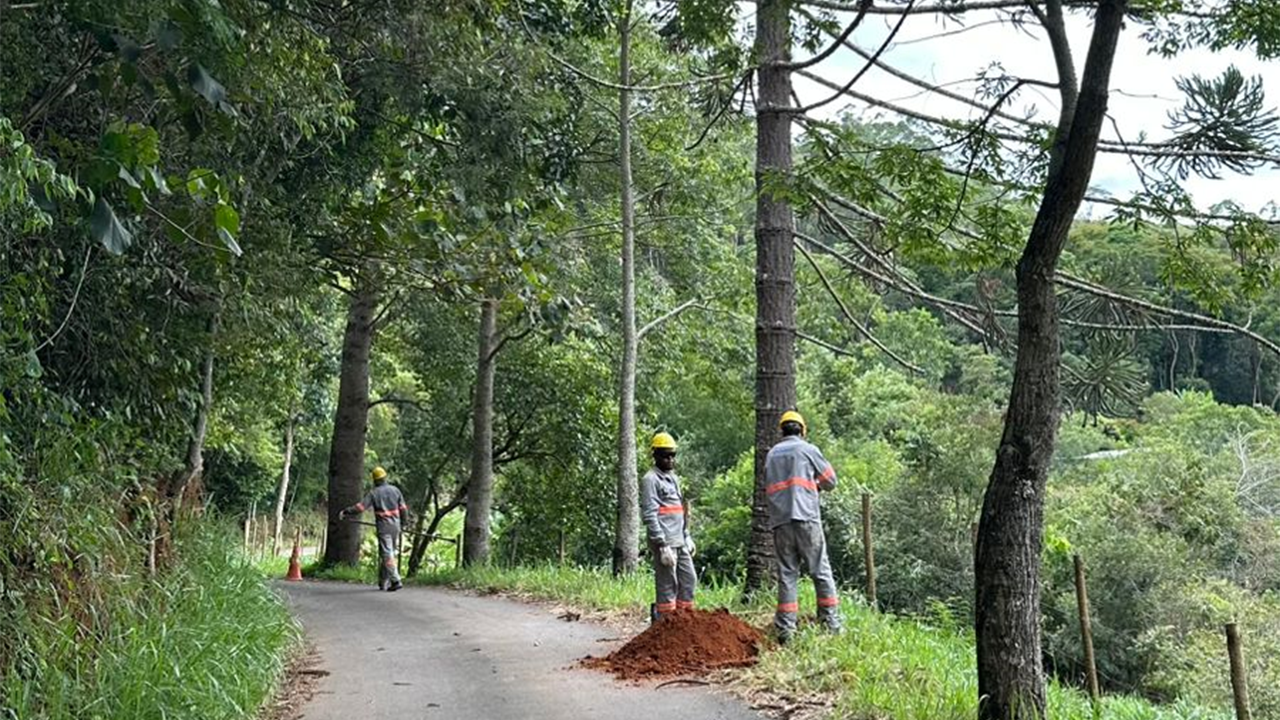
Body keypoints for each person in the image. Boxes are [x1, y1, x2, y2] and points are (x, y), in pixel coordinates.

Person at [764, 410, 840, 643]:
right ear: (802, 430)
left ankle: (786, 632)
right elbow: (831, 482)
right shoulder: (808, 450)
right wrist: (814, 485)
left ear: (782, 430)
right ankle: (831, 626)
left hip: (781, 522)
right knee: (820, 571)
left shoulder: (772, 455)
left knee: (787, 575)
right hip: (806, 518)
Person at [640, 432, 696, 621]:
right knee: (667, 586)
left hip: (679, 540)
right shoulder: (650, 480)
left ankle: (683, 622)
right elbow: (650, 514)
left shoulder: (673, 478)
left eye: (672, 455)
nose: (670, 459)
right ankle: (664, 625)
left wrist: (686, 535)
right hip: (665, 542)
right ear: (655, 455)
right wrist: (661, 544)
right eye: (665, 455)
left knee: (688, 581)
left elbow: (680, 509)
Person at [338, 466, 410, 592]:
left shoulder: (374, 493)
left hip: (384, 527)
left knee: (387, 553)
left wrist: (346, 511)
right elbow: (403, 509)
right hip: (396, 526)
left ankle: (396, 580)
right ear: (385, 477)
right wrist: (404, 523)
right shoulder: (395, 490)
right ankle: (383, 582)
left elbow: (360, 507)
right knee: (388, 553)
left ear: (375, 480)